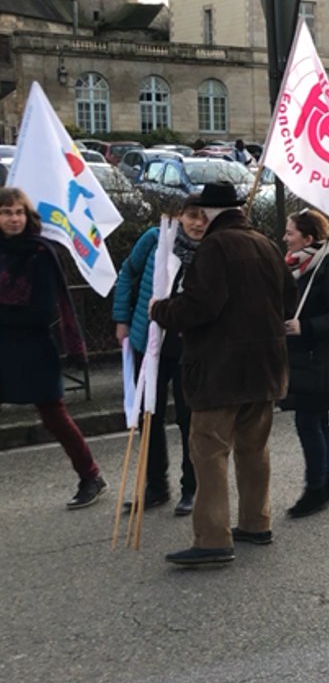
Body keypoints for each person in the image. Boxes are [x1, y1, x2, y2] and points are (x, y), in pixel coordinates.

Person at [150, 182, 295, 566]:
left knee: (209, 452)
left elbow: (201, 306)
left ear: (210, 213)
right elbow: (290, 299)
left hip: (220, 369)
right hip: (265, 365)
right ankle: (255, 522)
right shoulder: (265, 242)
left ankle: (213, 538)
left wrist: (161, 309)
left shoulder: (216, 246)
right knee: (253, 449)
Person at [0, 187, 106, 509]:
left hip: (32, 347)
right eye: (6, 212)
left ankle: (91, 476)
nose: (13, 219)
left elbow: (44, 309)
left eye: (18, 212)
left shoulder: (41, 253)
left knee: (53, 416)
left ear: (28, 216)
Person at [112, 195, 206, 515]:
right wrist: (122, 319)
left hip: (188, 346)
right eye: (192, 216)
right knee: (147, 416)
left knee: (188, 417)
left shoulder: (213, 250)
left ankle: (191, 488)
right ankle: (155, 486)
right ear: (180, 215)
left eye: (203, 218)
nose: (197, 223)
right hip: (148, 339)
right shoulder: (155, 238)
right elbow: (128, 273)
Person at [279, 210, 329, 518]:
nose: (285, 238)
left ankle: (315, 490)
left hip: (322, 358)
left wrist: (305, 327)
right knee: (317, 421)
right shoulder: (299, 266)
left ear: (308, 239)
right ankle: (327, 482)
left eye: (290, 233)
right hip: (306, 359)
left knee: (308, 423)